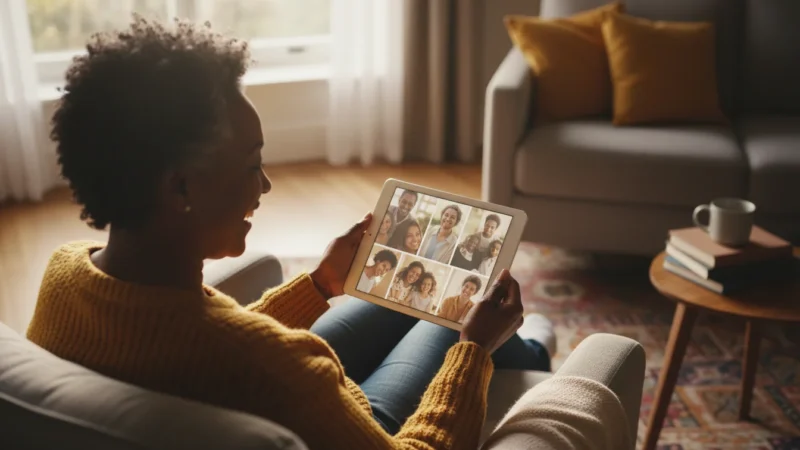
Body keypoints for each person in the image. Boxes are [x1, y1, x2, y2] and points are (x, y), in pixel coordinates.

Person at [25, 17, 554, 450]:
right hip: (366, 430)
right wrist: (475, 350)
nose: (267, 184)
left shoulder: (66, 275)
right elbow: (239, 355)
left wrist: (321, 284)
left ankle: (524, 348)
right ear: (180, 187)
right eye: (252, 165)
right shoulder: (279, 366)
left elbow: (196, 343)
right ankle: (528, 352)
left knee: (406, 290)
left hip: (252, 394)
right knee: (452, 319)